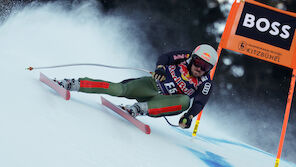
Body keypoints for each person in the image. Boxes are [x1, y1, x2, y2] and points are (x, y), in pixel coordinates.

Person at [54, 44, 218, 129]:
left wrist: (188, 117)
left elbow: (199, 102)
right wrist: (160, 68)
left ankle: (140, 109)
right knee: (119, 89)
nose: (199, 68)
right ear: (193, 58)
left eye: (205, 67)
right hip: (151, 85)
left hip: (162, 101)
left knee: (185, 101)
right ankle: (73, 83)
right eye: (198, 63)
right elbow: (166, 57)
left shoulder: (206, 83)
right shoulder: (186, 56)